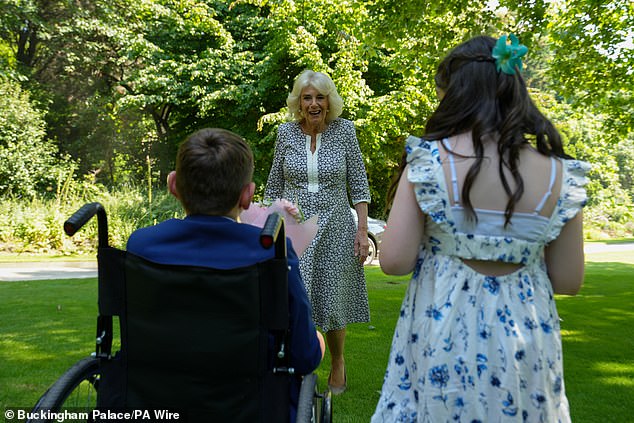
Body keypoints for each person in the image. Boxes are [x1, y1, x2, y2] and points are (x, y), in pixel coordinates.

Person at [372, 35, 590, 422]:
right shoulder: (561, 173)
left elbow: (394, 260)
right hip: (527, 343)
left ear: (454, 92)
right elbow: (569, 280)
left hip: (442, 334)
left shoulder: (428, 162)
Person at [126, 128, 325, 422]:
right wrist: (318, 341)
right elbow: (304, 356)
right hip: (251, 408)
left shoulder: (141, 246)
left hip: (156, 404)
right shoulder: (270, 252)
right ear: (247, 195)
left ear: (173, 185)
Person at [264, 70, 371, 394]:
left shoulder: (345, 131)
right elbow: (274, 186)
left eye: (320, 97)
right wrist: (270, 220)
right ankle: (299, 364)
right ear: (299, 102)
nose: (314, 104)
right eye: (307, 97)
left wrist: (362, 230)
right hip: (297, 228)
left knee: (334, 297)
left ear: (329, 101)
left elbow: (359, 184)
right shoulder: (285, 133)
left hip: (338, 225)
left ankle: (337, 361)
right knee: (295, 298)